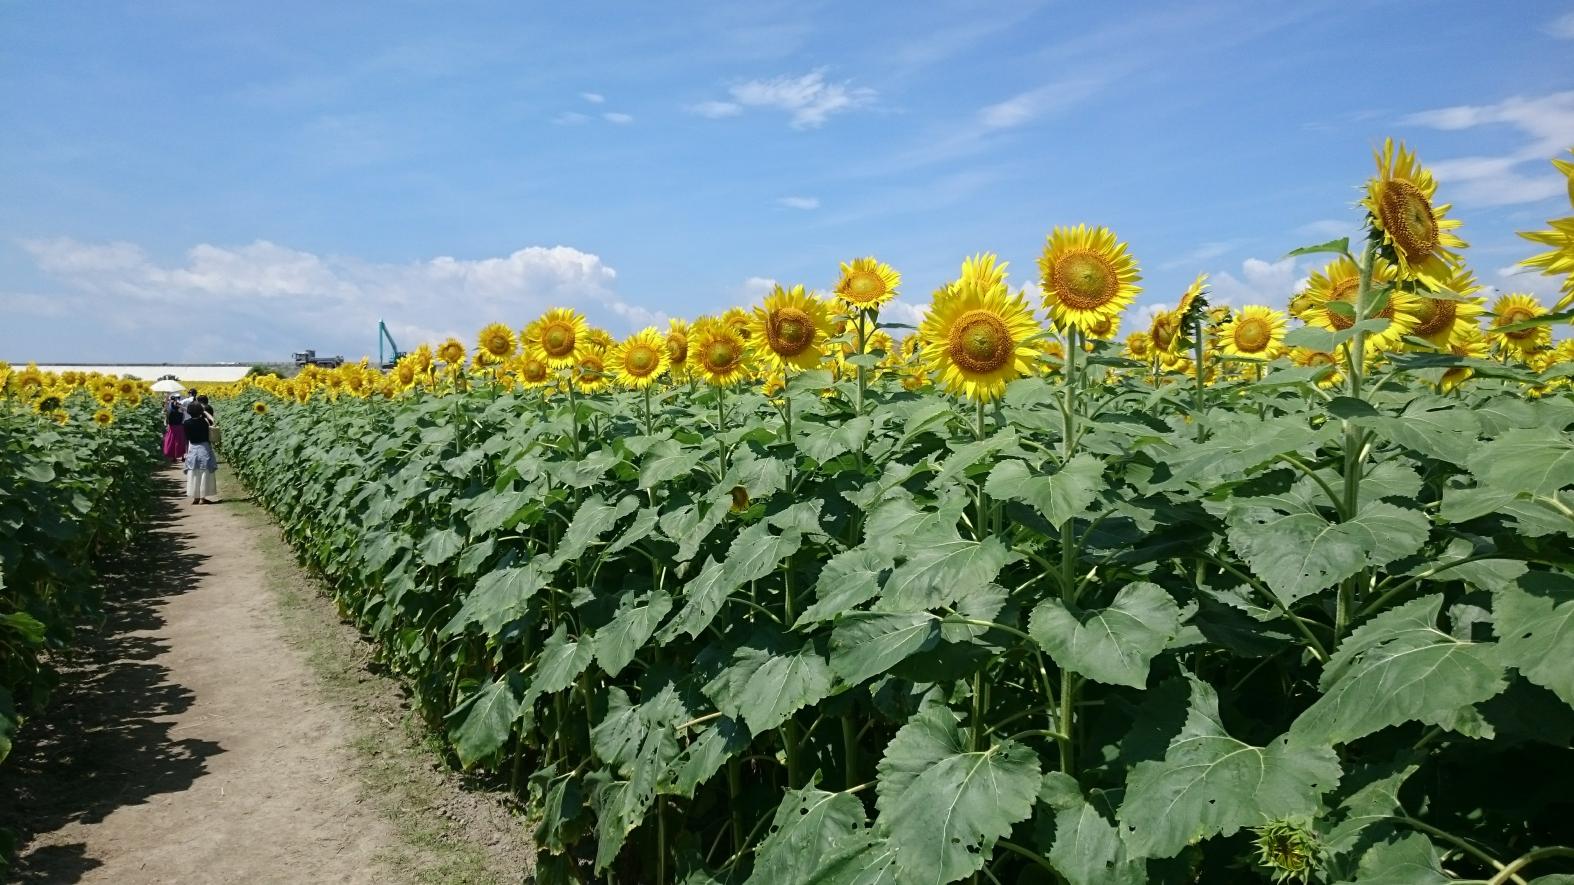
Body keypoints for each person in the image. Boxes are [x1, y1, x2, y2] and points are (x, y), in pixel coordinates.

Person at [183, 400, 219, 504]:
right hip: (204, 447)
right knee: (205, 472)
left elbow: (187, 438)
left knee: (194, 472)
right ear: (200, 411)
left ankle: (195, 497)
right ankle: (203, 498)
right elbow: (214, 422)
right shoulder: (204, 422)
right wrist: (205, 412)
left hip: (193, 448)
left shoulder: (186, 423)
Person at [162, 394, 188, 463]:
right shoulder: (181, 413)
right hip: (180, 427)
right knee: (180, 442)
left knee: (172, 442)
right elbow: (182, 420)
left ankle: (174, 457)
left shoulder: (170, 413)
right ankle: (183, 457)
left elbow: (167, 421)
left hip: (172, 428)